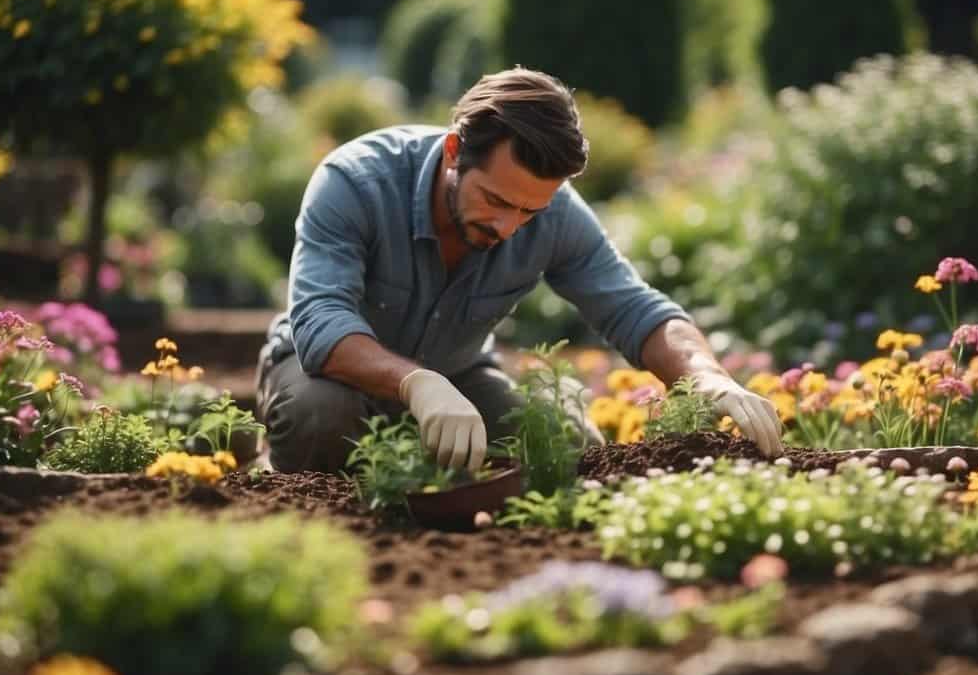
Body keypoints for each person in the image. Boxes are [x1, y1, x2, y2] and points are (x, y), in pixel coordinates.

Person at [255, 68, 784, 474]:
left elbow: (634, 307)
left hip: (459, 375)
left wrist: (709, 379)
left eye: (528, 211)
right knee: (318, 418)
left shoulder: (553, 214)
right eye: (496, 200)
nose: (509, 226)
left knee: (564, 448)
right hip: (329, 375)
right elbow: (321, 321)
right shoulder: (356, 181)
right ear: (455, 150)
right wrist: (416, 384)